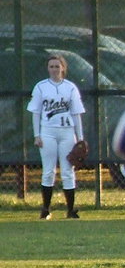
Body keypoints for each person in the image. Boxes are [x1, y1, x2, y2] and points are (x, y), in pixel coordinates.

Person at [27, 54, 86, 220]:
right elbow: (36, 113)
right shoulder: (41, 87)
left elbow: (76, 114)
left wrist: (80, 138)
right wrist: (37, 135)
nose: (54, 69)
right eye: (51, 66)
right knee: (48, 171)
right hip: (47, 132)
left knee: (68, 171)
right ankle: (45, 209)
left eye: (57, 66)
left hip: (67, 132)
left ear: (63, 68)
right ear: (48, 68)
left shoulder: (70, 87)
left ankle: (71, 210)